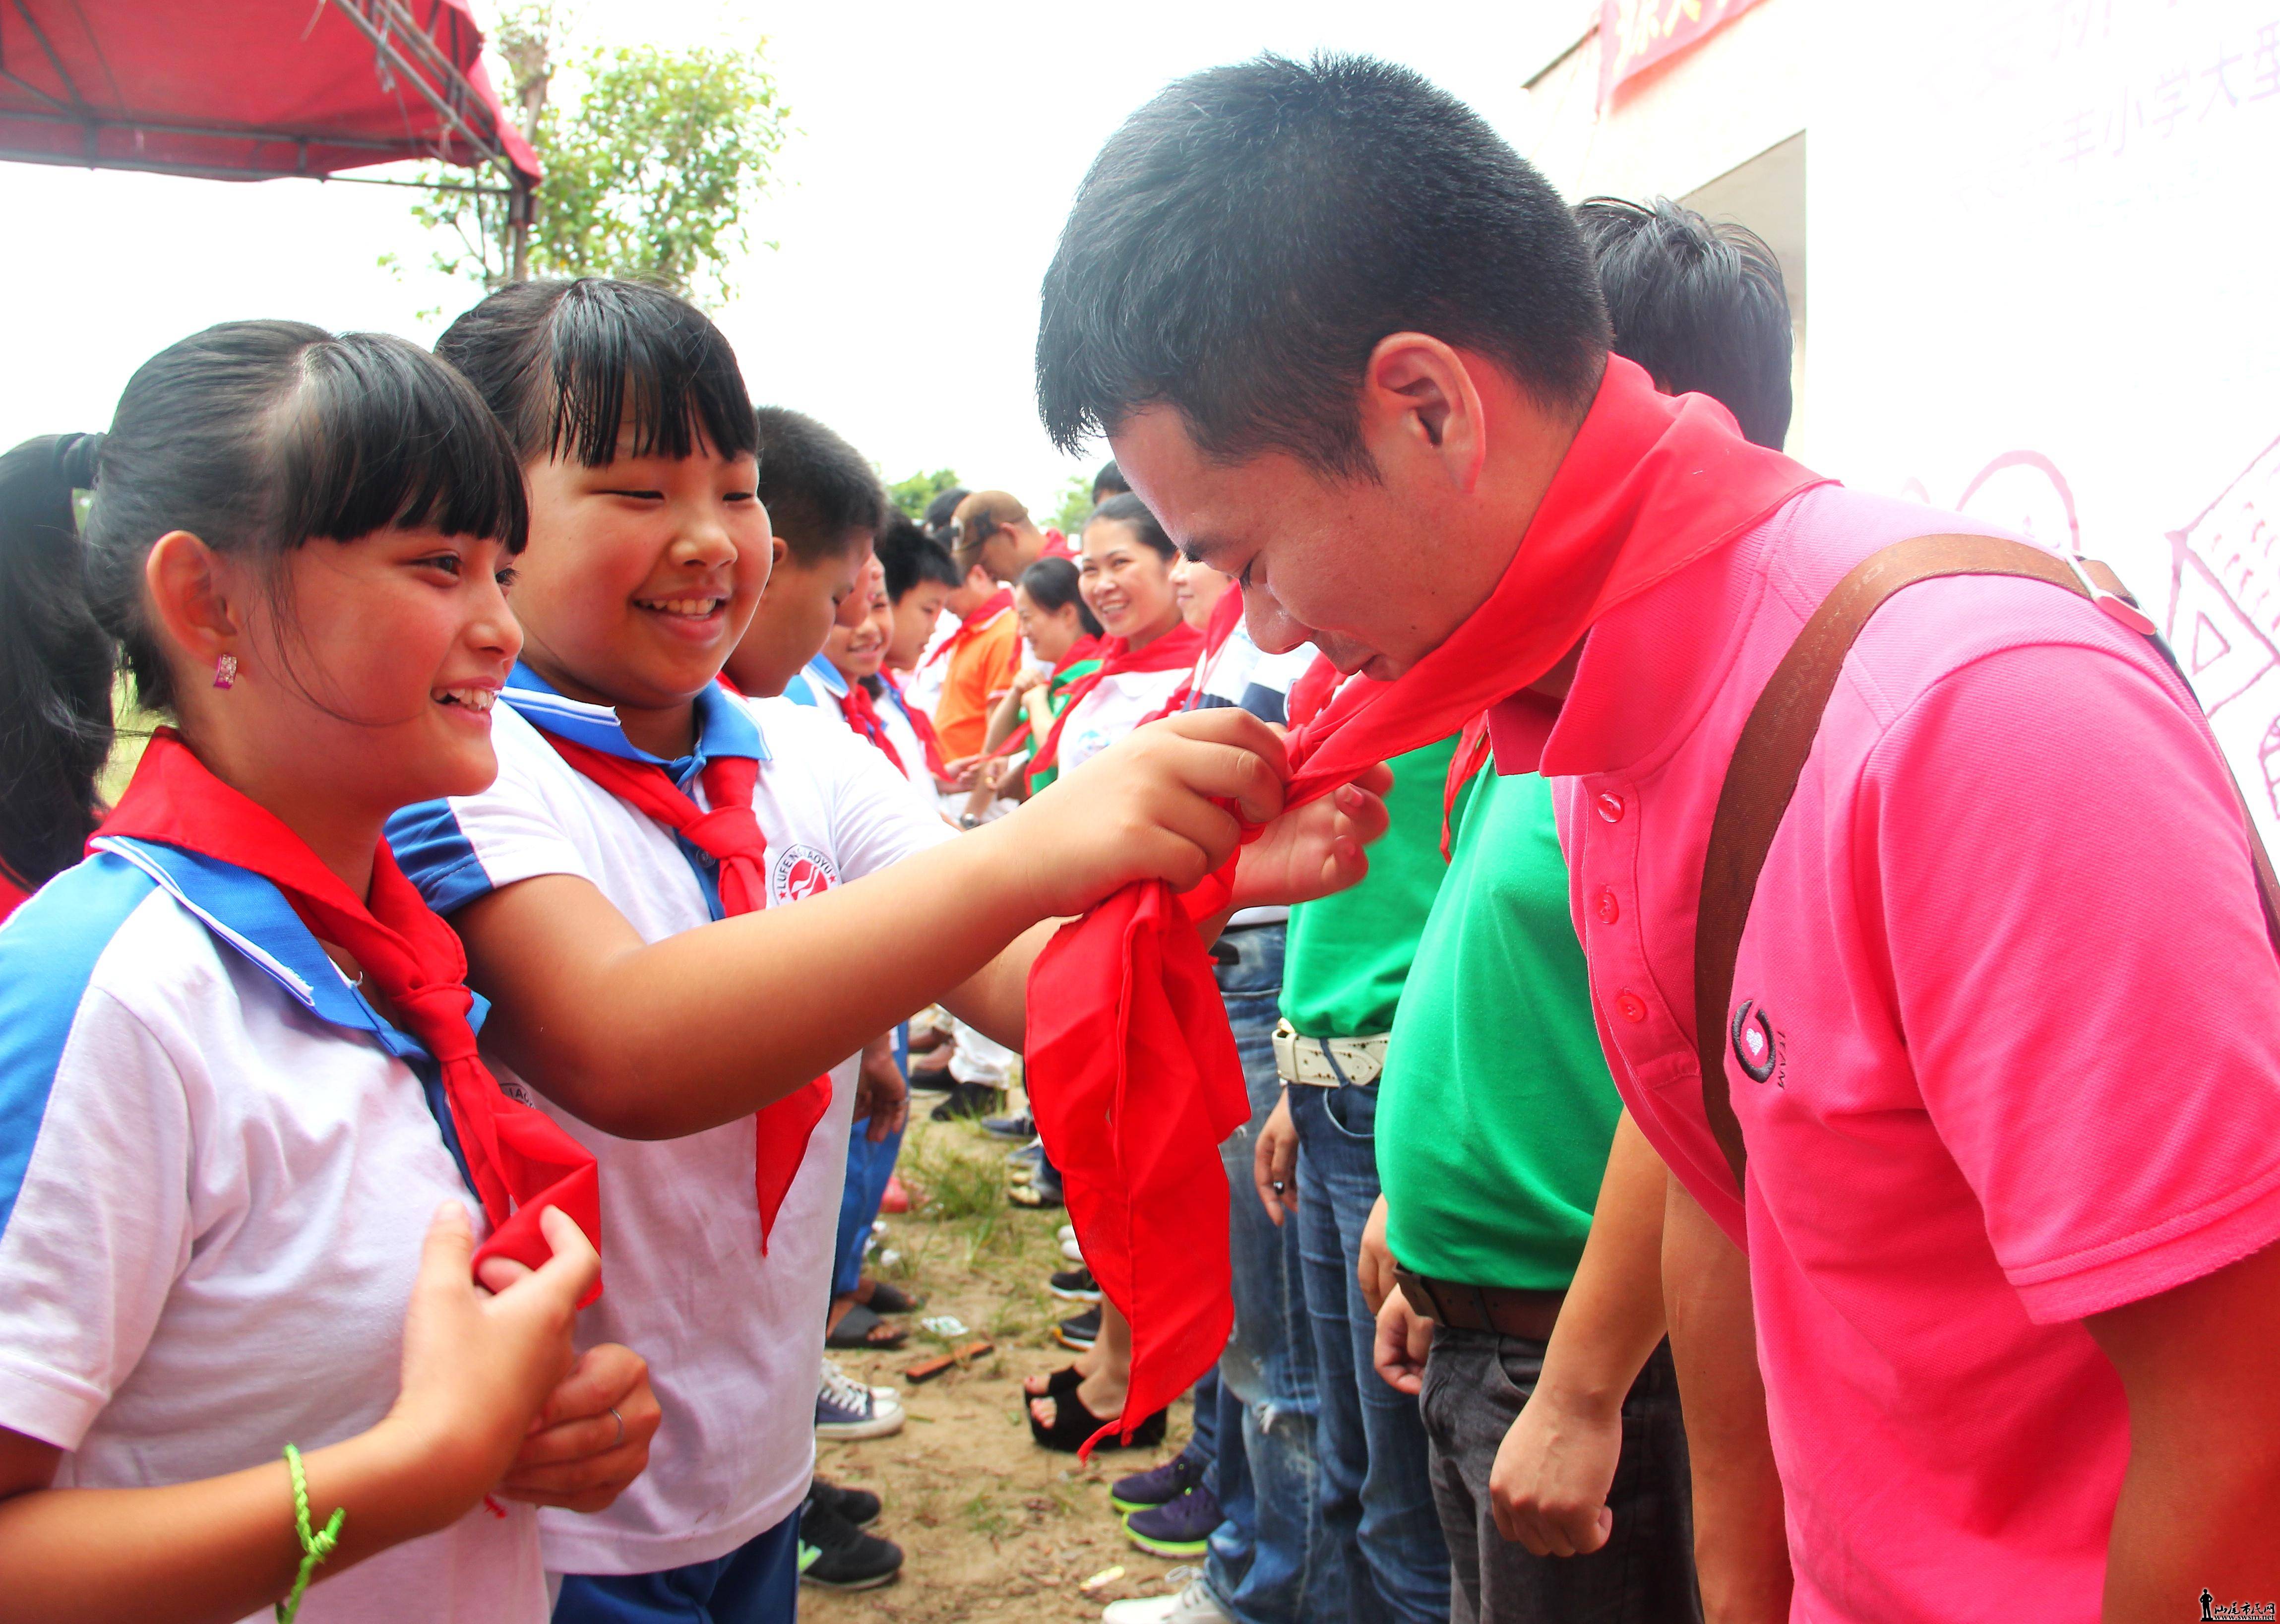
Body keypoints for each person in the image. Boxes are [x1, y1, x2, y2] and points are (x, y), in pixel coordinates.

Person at [1038, 53, 2280, 1624]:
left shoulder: (1968, 716)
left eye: (1254, 556)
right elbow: (1721, 1174)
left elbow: (2242, 1416)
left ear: (1425, 408)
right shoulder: (1604, 712)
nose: (1272, 634)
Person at [397, 276, 1363, 1622]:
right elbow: (624, 1042)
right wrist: (1039, 847)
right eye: (632, 492)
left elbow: (1018, 980)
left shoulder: (798, 750)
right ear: (485, 517)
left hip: (749, 1463)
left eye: (734, 491)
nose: (706, 541)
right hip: (554, 1511)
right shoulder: (457, 761)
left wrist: (1183, 878)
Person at [0, 323, 658, 1623]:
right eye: (438, 568)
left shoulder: (383, 957)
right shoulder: (113, 994)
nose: (500, 630)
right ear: (206, 603)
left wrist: (536, 1432)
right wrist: (415, 1469)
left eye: (502, 573)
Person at [1431, 193, 1801, 1618]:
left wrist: (1582, 1380)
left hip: (1585, 1358)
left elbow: (1699, 1088)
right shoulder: (1545, 693)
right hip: (1483, 1317)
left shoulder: (1741, 718)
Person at [949, 489, 1051, 586]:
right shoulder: (1043, 585)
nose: (986, 576)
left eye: (985, 563)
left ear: (1009, 535)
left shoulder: (1060, 585)